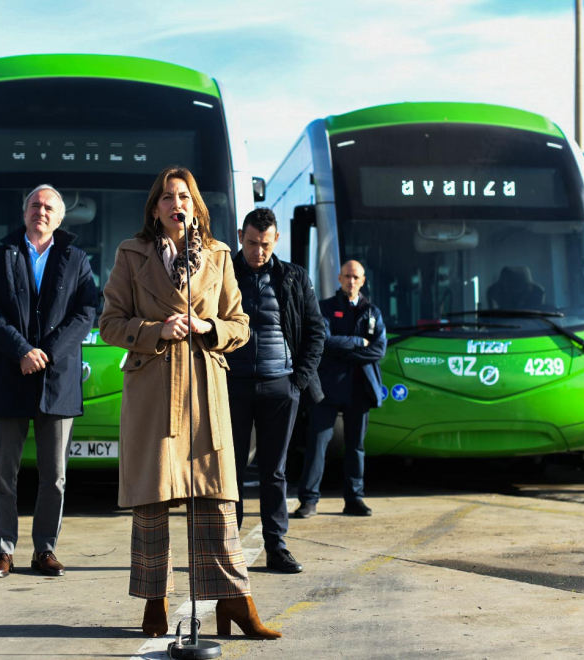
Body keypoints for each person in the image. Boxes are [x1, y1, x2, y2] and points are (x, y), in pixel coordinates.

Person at [99, 166, 281, 640]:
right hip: (153, 391)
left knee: (218, 499)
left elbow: (240, 324)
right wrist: (155, 330)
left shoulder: (220, 255)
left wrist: (210, 328)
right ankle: (154, 602)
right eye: (166, 197)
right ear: (154, 208)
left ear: (195, 205)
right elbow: (110, 324)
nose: (175, 204)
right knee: (153, 500)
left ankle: (235, 602)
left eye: (183, 196)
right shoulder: (130, 252)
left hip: (205, 388)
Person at [0, 184, 97, 578]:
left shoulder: (78, 260)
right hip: (9, 375)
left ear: (60, 218)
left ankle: (44, 550)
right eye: (34, 204)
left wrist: (46, 353)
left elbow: (87, 312)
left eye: (48, 207)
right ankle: (3, 552)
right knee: (3, 475)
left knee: (55, 477)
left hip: (57, 380)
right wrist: (22, 352)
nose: (40, 211)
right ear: (24, 211)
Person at [227, 207, 324, 573]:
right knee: (229, 471)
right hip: (231, 385)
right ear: (241, 236)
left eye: (265, 244)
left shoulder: (294, 277)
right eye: (252, 243)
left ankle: (276, 548)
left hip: (279, 385)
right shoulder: (223, 274)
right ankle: (228, 548)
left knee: (275, 472)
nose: (258, 251)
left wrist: (296, 382)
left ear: (276, 240)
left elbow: (316, 331)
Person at [294, 260, 386, 519]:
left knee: (356, 447)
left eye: (356, 277)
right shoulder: (324, 308)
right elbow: (323, 341)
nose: (351, 281)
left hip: (360, 389)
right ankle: (309, 501)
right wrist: (358, 342)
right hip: (327, 389)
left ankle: (354, 499)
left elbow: (379, 349)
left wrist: (343, 351)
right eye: (347, 276)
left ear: (363, 280)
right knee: (317, 445)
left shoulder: (373, 312)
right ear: (339, 278)